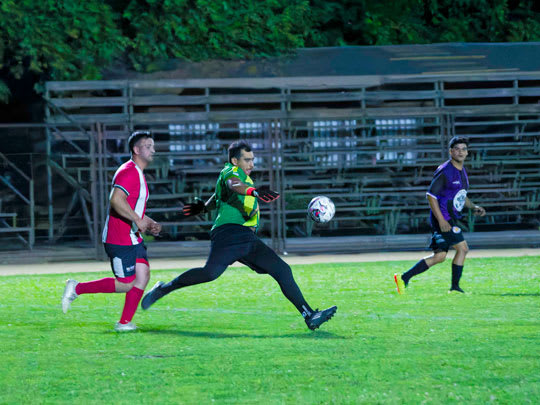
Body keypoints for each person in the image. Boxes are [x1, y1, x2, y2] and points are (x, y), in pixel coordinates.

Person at [141, 140, 337, 330]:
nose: (251, 164)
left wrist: (203, 207)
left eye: (252, 160)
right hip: (230, 234)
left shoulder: (243, 178)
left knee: (282, 270)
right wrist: (254, 192)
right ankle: (164, 288)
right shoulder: (231, 171)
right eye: (247, 160)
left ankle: (309, 315)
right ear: (235, 160)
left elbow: (219, 196)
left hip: (245, 238)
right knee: (209, 273)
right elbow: (233, 184)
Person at [61, 131, 162, 331]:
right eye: (148, 146)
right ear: (136, 149)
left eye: (153, 146)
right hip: (119, 238)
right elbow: (116, 200)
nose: (153, 150)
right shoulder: (129, 171)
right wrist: (137, 220)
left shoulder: (137, 173)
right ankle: (77, 288)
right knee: (126, 284)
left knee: (143, 275)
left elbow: (132, 208)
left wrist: (149, 222)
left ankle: (124, 323)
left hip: (132, 237)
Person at [394, 136, 486, 294]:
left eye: (463, 149)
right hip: (444, 217)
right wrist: (442, 220)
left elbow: (460, 194)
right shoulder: (445, 170)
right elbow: (431, 196)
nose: (460, 152)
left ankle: (404, 278)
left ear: (467, 152)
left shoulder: (461, 170)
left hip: (450, 217)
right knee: (463, 249)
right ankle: (455, 288)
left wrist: (473, 207)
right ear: (451, 151)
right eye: (457, 149)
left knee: (440, 256)